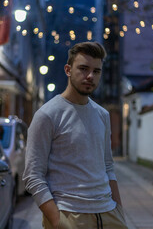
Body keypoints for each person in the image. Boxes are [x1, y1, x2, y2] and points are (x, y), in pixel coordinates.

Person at [23, 41, 128, 229]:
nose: (90, 76)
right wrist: (57, 221)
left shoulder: (102, 115)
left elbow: (108, 165)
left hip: (109, 213)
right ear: (68, 70)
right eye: (83, 68)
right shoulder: (48, 115)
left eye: (96, 71)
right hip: (69, 214)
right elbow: (33, 175)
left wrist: (119, 210)